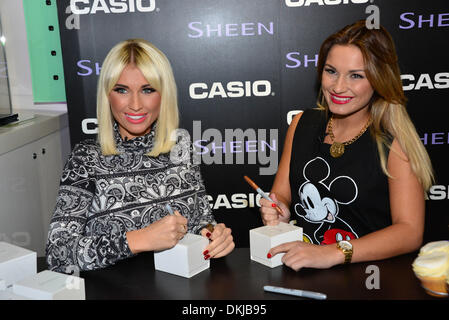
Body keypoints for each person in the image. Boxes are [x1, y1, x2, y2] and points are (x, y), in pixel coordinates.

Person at [46, 39, 234, 273]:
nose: (135, 105)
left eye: (147, 90)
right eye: (121, 90)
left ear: (164, 94)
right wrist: (139, 240)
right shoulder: (86, 158)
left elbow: (200, 220)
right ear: (107, 95)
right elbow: (57, 253)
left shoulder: (181, 146)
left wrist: (213, 234)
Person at [260, 20, 434, 271]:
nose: (338, 86)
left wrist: (333, 253)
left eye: (356, 76)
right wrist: (280, 210)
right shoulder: (302, 123)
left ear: (379, 80)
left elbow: (409, 231)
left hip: (368, 278)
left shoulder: (394, 142)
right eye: (331, 71)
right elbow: (283, 194)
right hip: (303, 266)